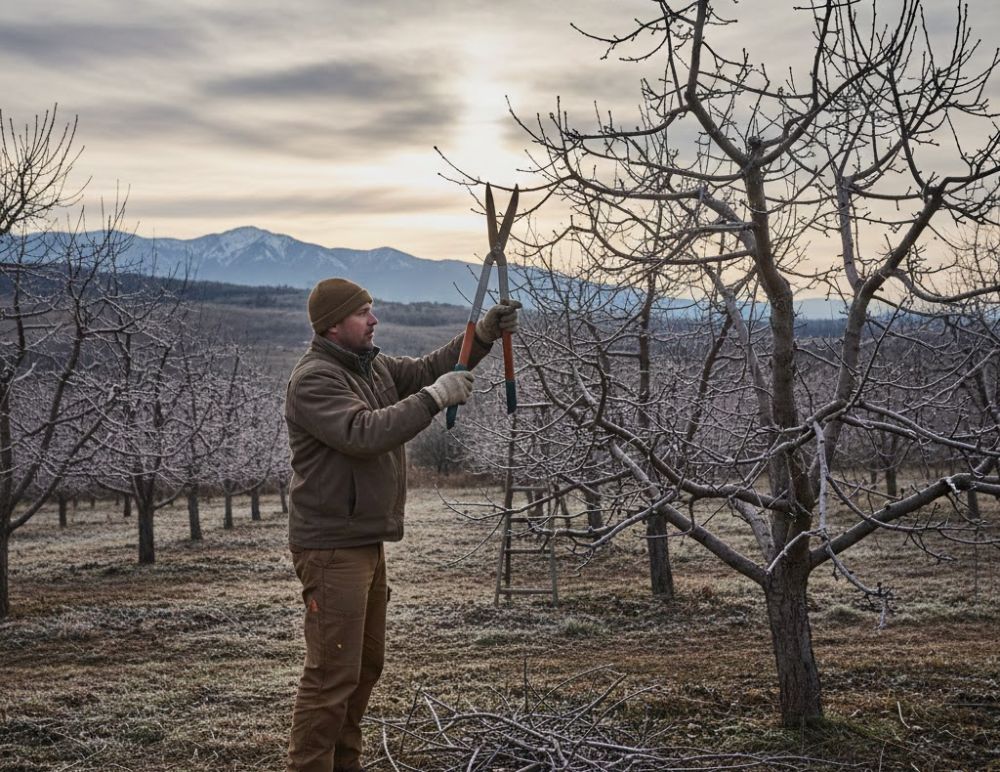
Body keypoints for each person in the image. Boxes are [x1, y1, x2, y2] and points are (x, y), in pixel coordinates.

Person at [283, 277, 519, 772]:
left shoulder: (370, 366)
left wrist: (481, 335)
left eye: (372, 310)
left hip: (363, 541)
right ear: (331, 325)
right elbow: (363, 432)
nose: (374, 320)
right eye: (363, 313)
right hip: (331, 548)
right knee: (331, 676)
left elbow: (431, 369)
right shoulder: (315, 379)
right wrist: (435, 399)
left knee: (363, 667)